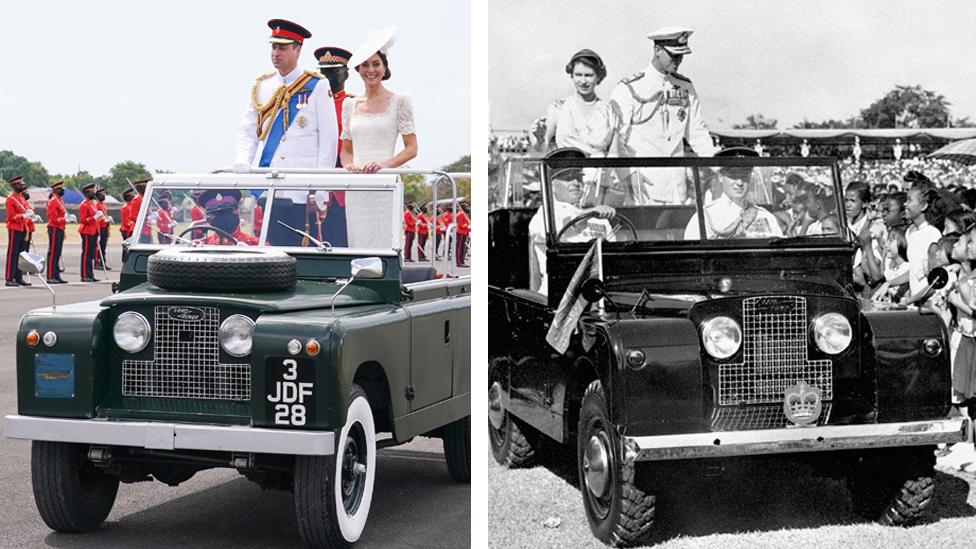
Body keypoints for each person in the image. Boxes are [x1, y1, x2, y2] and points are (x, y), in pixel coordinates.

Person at [608, 26, 716, 205]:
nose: (679, 60)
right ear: (657, 50)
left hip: (678, 187)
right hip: (643, 187)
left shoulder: (685, 87)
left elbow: (697, 133)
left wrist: (719, 166)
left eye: (681, 55)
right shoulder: (629, 88)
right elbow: (616, 140)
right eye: (673, 55)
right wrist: (628, 176)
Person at [233, 19, 338, 172]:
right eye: (274, 47)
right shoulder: (262, 86)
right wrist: (242, 161)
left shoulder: (318, 85)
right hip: (267, 178)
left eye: (282, 48)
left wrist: (320, 188)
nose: (276, 53)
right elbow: (248, 131)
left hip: (302, 182)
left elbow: (328, 139)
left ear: (298, 50)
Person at [528, 148, 615, 294]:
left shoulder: (600, 219)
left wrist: (591, 213)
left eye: (578, 177)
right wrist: (589, 214)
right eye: (568, 178)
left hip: (598, 291)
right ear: (552, 185)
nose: (576, 182)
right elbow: (558, 229)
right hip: (559, 293)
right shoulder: (544, 214)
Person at [341, 27, 417, 174]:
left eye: (376, 64)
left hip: (386, 181)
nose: (370, 70)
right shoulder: (349, 104)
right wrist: (349, 165)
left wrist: (384, 166)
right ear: (359, 70)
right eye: (365, 65)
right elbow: (346, 151)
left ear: (384, 68)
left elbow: (412, 148)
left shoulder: (400, 101)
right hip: (356, 183)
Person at [684, 148, 782, 239]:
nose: (739, 182)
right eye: (733, 176)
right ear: (721, 177)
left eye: (744, 176)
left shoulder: (765, 217)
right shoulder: (705, 217)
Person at [315, 44, 354, 247]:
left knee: (342, 239)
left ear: (346, 74)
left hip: (342, 185)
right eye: (323, 72)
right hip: (318, 180)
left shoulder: (354, 104)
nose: (328, 77)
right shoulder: (311, 103)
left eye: (333, 71)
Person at [195, 190, 260, 245]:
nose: (223, 216)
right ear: (208, 218)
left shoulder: (255, 245)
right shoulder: (201, 246)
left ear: (237, 211)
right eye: (216, 213)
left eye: (228, 211)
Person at [4, 176, 34, 286]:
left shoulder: (20, 198)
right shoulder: (10, 200)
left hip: (22, 227)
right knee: (13, 254)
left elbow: (27, 209)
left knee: (21, 254)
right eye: (19, 184)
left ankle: (18, 277)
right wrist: (23, 215)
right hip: (14, 228)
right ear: (14, 186)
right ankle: (9, 278)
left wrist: (31, 215)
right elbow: (11, 217)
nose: (21, 186)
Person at [46, 181, 68, 283]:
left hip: (59, 228)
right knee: (53, 252)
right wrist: (64, 219)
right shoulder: (53, 201)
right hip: (54, 228)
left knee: (58, 252)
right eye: (60, 189)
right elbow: (53, 218)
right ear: (55, 190)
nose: (62, 190)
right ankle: (50, 276)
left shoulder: (60, 200)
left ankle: (56, 274)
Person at [78, 182, 101, 282]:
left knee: (91, 255)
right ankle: (84, 275)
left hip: (93, 231)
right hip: (87, 231)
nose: (93, 193)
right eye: (91, 191)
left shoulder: (92, 204)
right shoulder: (84, 205)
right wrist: (94, 217)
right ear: (87, 193)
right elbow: (83, 220)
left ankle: (90, 274)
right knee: (86, 254)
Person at [93, 186, 112, 270]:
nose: (103, 195)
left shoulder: (103, 205)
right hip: (99, 227)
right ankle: (97, 263)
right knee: (99, 246)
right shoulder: (96, 205)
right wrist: (104, 220)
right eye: (102, 194)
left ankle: (103, 262)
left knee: (103, 246)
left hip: (105, 227)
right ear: (98, 195)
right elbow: (98, 217)